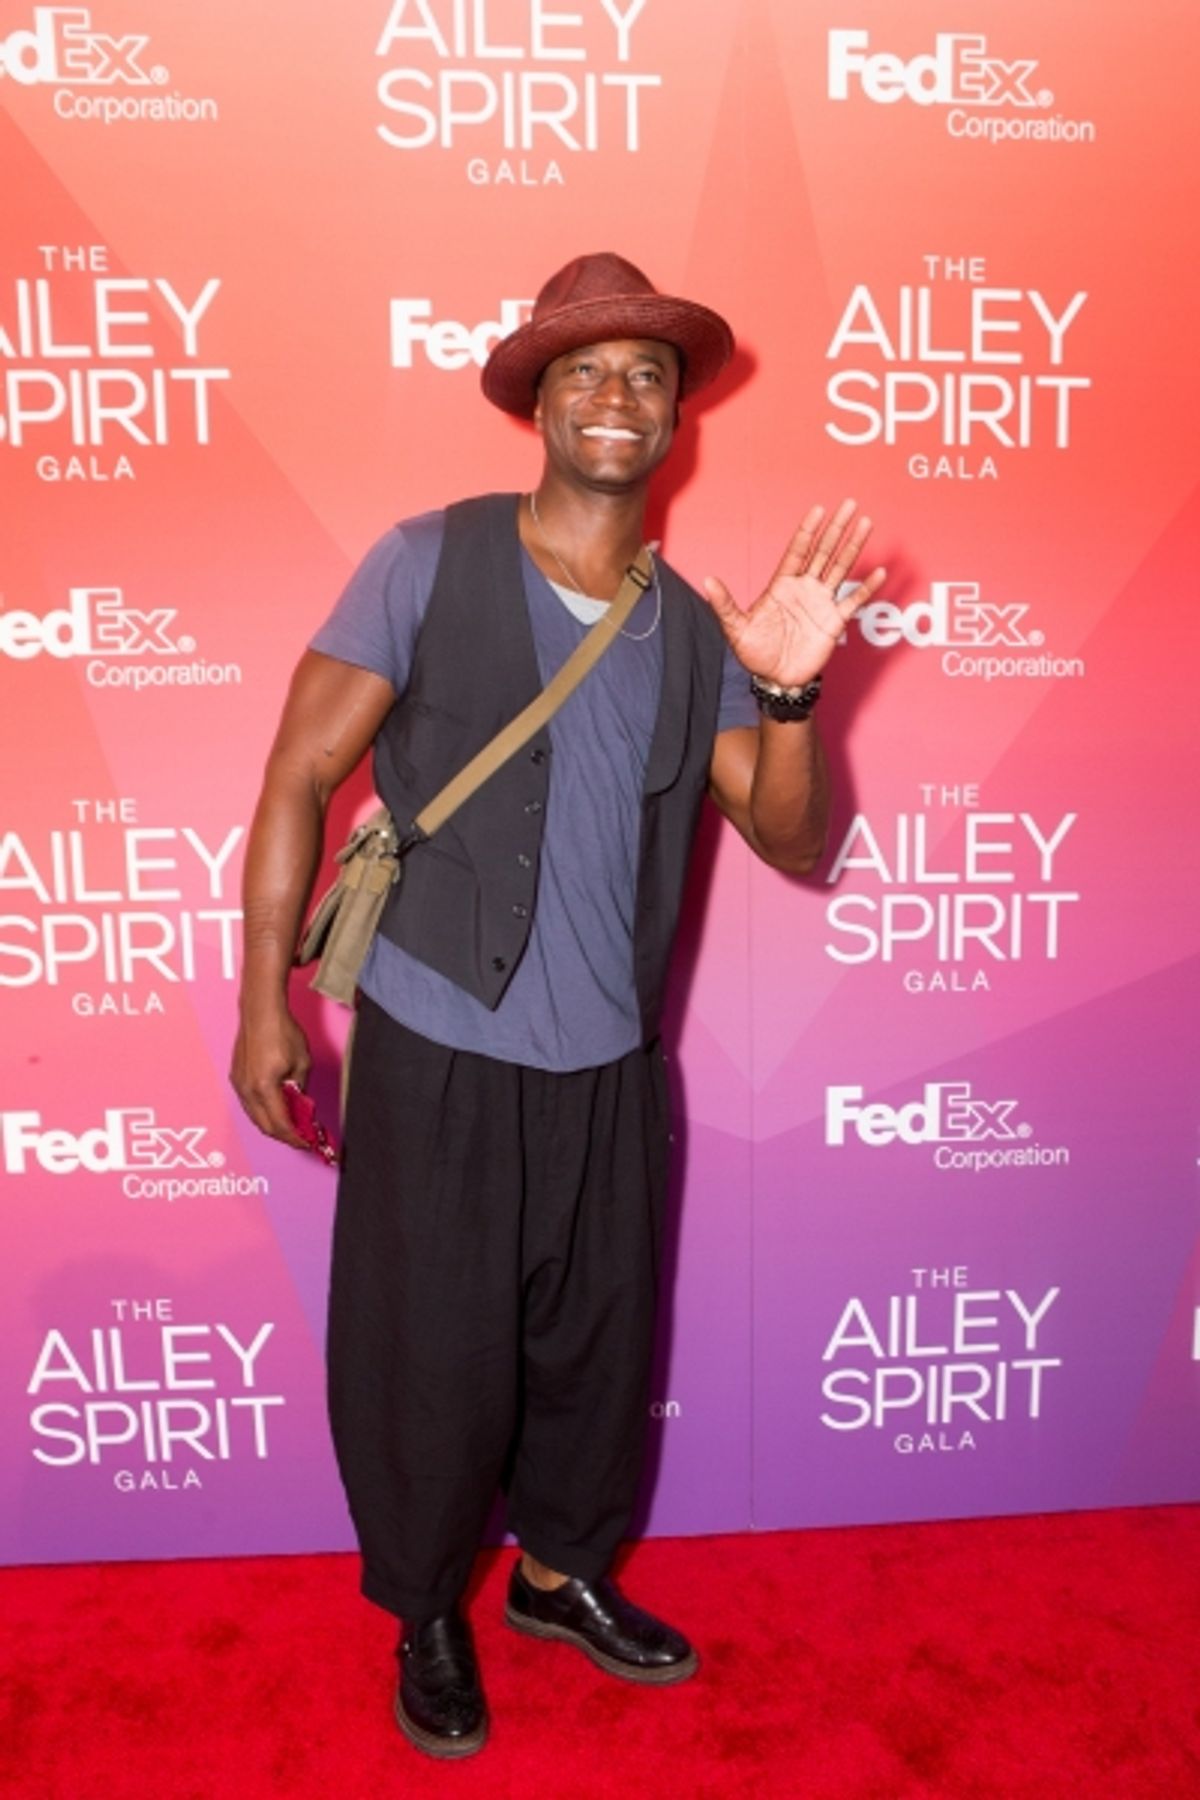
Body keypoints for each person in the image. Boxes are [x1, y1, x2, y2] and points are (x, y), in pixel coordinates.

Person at [231, 251, 885, 1760]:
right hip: (441, 1043)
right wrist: (267, 1001)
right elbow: (297, 776)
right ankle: (425, 1608)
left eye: (646, 373)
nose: (617, 394)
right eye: (584, 369)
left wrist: (785, 696)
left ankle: (556, 1577)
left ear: (677, 420)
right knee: (429, 1351)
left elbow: (796, 842)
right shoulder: (427, 559)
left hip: (610, 1065)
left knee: (597, 1348)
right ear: (537, 401)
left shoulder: (693, 631)